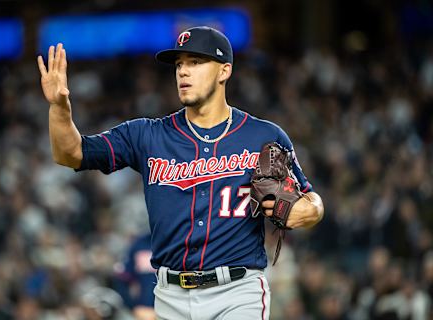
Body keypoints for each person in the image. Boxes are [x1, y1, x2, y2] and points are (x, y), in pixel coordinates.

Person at [37, 26, 324, 320]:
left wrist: (309, 210)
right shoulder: (147, 135)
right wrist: (60, 108)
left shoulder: (263, 135)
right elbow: (70, 153)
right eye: (179, 64)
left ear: (224, 71)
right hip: (170, 295)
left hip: (238, 292)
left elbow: (311, 199)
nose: (183, 72)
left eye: (196, 62)